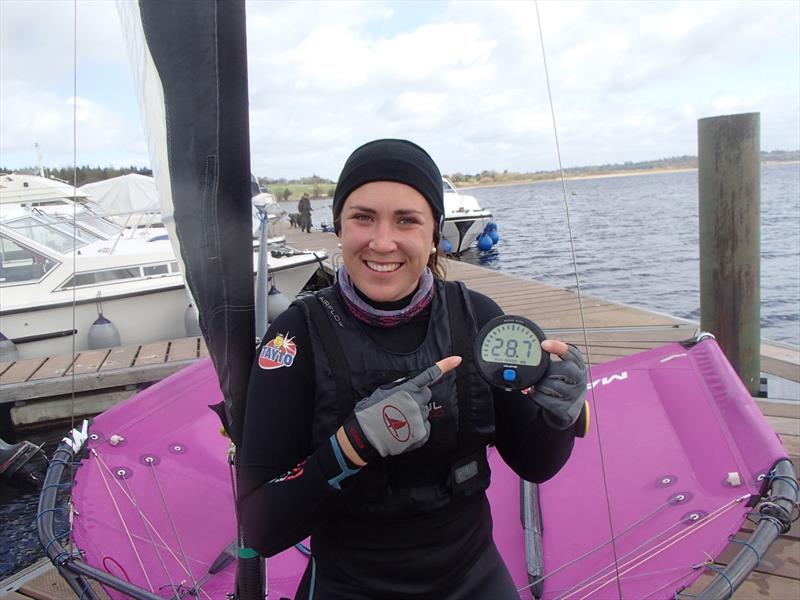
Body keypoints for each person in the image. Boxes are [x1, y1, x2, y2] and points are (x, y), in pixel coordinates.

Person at [239, 139, 587, 599]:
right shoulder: (296, 336)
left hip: (471, 576)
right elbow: (262, 529)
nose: (382, 242)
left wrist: (559, 415)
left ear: (433, 233)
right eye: (363, 217)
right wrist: (350, 447)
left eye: (407, 220)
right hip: (349, 582)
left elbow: (536, 465)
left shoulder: (476, 317)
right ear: (339, 226)